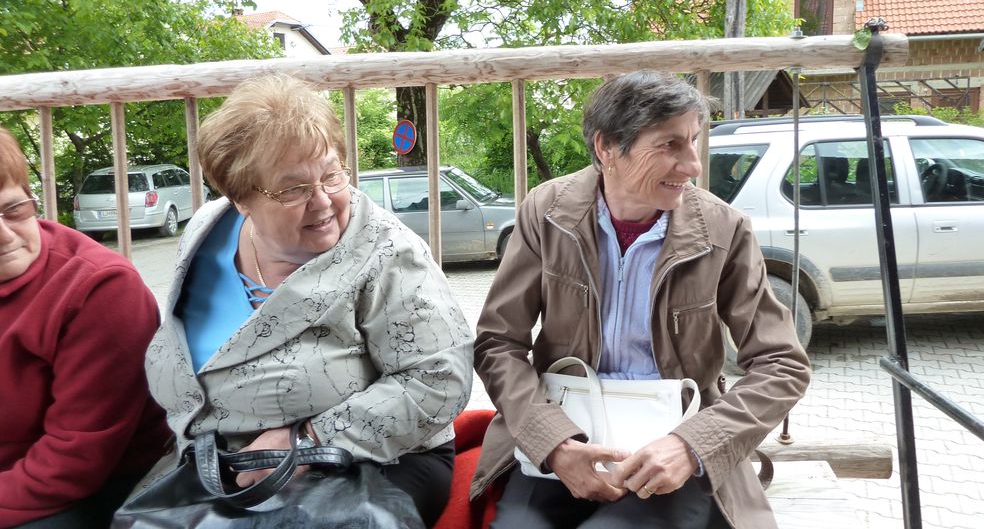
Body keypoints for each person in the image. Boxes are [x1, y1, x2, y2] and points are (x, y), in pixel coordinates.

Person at [471, 71, 811, 529]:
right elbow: (497, 342)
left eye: (693, 141)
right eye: (670, 145)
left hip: (672, 445)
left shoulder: (723, 230)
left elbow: (783, 364)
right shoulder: (546, 212)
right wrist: (552, 442)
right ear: (607, 147)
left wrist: (692, 445)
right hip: (565, 433)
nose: (692, 165)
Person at [137, 74, 474, 527]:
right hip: (216, 463)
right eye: (293, 189)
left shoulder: (387, 251)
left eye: (331, 175)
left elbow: (439, 381)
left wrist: (306, 440)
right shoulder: (204, 232)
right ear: (240, 199)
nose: (323, 201)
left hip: (370, 462)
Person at [0, 128, 170, 528]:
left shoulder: (98, 288)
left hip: (90, 488)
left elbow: (74, 459)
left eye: (14, 210)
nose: (4, 236)